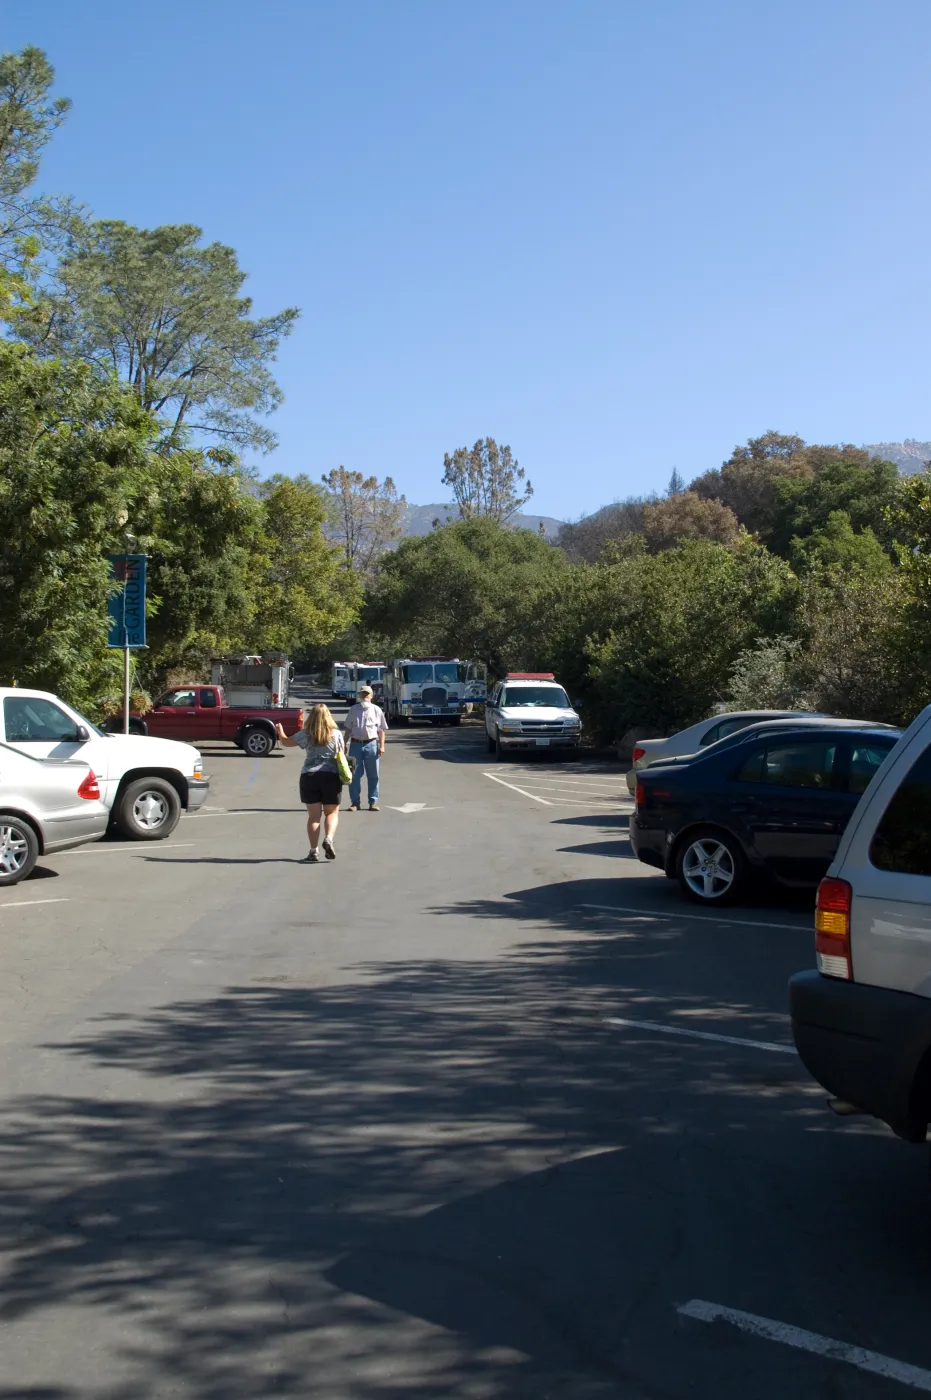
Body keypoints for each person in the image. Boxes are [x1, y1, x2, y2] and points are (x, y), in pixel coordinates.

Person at [276, 704, 345, 863]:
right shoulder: (336, 734)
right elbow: (342, 754)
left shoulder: (306, 734)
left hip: (310, 776)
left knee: (314, 817)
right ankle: (328, 838)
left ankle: (314, 851)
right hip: (331, 776)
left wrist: (280, 731)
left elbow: (286, 742)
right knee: (332, 813)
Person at [344, 684, 388, 811]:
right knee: (353, 775)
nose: (365, 696)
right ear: (359, 696)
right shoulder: (353, 709)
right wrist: (343, 745)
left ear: (371, 696)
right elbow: (348, 729)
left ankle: (373, 802)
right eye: (362, 694)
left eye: (367, 694)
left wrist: (382, 746)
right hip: (355, 745)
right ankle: (355, 803)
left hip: (371, 745)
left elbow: (381, 730)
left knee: (373, 775)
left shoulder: (376, 710)